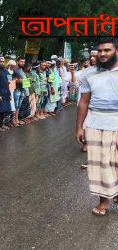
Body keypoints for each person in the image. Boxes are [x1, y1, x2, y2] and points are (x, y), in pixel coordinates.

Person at [76, 39, 118, 216]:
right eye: (99, 51)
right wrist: (79, 127)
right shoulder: (88, 74)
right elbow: (83, 102)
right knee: (99, 164)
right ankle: (104, 201)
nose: (102, 54)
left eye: (107, 50)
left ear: (116, 50)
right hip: (95, 124)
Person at [0, 57, 12, 130]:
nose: (2, 63)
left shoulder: (5, 71)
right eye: (0, 61)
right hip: (0, 93)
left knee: (5, 110)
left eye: (3, 61)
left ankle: (2, 124)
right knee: (0, 110)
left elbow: (8, 82)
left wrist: (10, 94)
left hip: (6, 92)